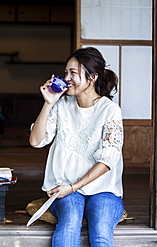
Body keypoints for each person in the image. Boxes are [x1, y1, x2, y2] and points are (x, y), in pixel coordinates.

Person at [29, 47, 124, 247]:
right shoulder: (61, 105)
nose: (67, 78)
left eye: (73, 73)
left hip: (103, 190)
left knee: (100, 232)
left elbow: (107, 162)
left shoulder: (109, 110)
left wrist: (73, 187)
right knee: (70, 222)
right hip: (64, 187)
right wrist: (48, 103)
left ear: (93, 77)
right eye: (66, 73)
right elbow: (36, 141)